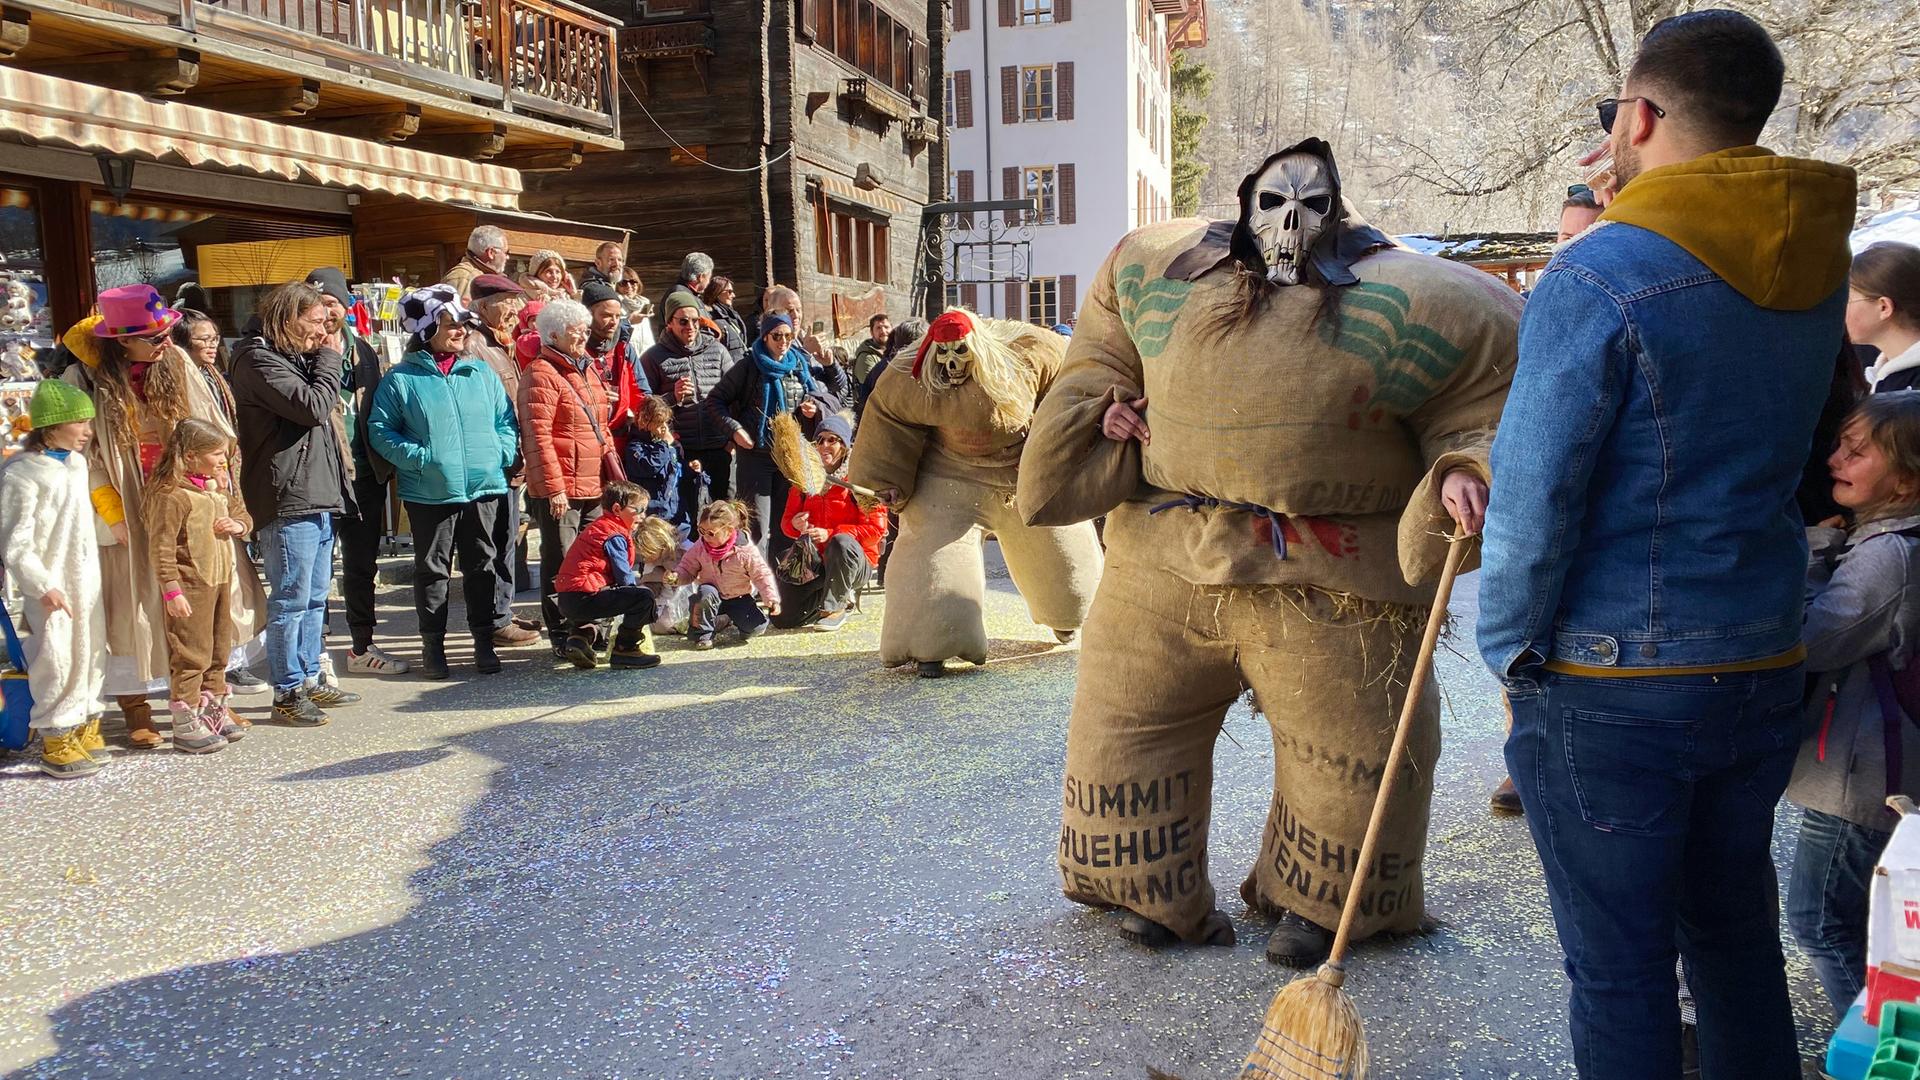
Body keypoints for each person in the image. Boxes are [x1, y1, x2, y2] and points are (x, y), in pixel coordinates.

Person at [1018, 134, 1515, 965]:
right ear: (1246, 204)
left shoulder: (1443, 303)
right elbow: (1099, 368)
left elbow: (1486, 414)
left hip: (1334, 576)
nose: (1290, 226)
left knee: (1351, 750)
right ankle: (1144, 884)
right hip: (1166, 552)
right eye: (1275, 206)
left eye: (1309, 208)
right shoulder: (1148, 271)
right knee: (1129, 724)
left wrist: (1464, 471)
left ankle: (1322, 906)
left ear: (1335, 214)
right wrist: (1107, 415)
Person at [1477, 12, 1858, 1078]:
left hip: (1614, 679)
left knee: (1620, 970)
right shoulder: (1817, 265)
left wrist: (1507, 649)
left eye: (1617, 117)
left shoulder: (1600, 273)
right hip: (1758, 655)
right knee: (1733, 942)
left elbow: (1535, 498)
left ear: (1639, 116)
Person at [66, 285, 269, 746]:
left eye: (167, 334)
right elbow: (89, 455)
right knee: (134, 603)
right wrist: (111, 512)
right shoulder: (86, 378)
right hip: (129, 501)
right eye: (154, 337)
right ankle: (136, 705)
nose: (166, 343)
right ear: (122, 340)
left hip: (189, 495)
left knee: (206, 598)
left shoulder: (176, 363)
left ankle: (207, 699)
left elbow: (212, 429)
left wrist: (218, 487)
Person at [1785, 392, 1920, 1018]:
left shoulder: (1888, 557)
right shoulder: (1892, 540)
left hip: (1858, 777)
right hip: (1876, 767)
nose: (1835, 459)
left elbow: (1814, 640)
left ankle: (1878, 1057)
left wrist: (1813, 550)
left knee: (1821, 921)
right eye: (1840, 443)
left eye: (1858, 452)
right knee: (1866, 924)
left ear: (1906, 480)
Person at [367, 286, 520, 681]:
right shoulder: (401, 379)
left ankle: (483, 641)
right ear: (428, 327)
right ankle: (433, 645)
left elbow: (506, 421)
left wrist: (500, 454)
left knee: (482, 565)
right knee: (433, 570)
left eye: (463, 326)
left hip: (484, 486)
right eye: (451, 325)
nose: (460, 332)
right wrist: (420, 459)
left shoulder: (480, 372)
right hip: (430, 491)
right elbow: (381, 431)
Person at [232, 282, 358, 728]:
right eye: (316, 321)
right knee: (290, 598)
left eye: (326, 323)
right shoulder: (257, 359)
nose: (324, 329)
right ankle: (286, 690)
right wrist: (329, 357)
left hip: (319, 490)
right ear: (287, 318)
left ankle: (307, 676)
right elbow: (312, 406)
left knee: (316, 596)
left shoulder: (293, 357)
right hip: (287, 495)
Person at [295, 267, 407, 683]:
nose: (327, 311)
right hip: (318, 473)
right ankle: (316, 653)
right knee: (317, 568)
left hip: (363, 470)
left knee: (362, 563)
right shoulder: (298, 349)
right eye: (319, 302)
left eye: (334, 303)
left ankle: (362, 645)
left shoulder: (362, 349)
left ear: (346, 306)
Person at [0, 380, 109, 779]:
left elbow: (83, 523)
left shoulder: (76, 465)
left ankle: (85, 718)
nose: (86, 431)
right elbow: (15, 537)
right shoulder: (22, 473)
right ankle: (55, 732)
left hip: (86, 578)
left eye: (88, 423)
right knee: (56, 654)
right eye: (78, 423)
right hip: (51, 583)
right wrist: (40, 583)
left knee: (93, 649)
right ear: (51, 426)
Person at [171, 308, 274, 697]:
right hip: (200, 486)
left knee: (235, 579)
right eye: (203, 339)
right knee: (217, 583)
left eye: (215, 338)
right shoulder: (182, 377)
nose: (212, 346)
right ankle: (221, 668)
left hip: (225, 479)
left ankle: (230, 664)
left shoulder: (215, 377)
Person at [144, 418, 251, 754]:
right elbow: (161, 547)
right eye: (216, 453)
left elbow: (244, 516)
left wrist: (237, 525)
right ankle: (185, 717)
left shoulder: (215, 489)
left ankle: (213, 706)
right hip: (191, 586)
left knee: (220, 649)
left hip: (219, 580)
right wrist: (171, 589)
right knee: (192, 652)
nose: (223, 460)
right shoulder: (173, 495)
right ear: (190, 456)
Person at [520, 299, 617, 656]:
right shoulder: (540, 373)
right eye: (576, 332)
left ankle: (590, 629)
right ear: (554, 335)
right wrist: (554, 489)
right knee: (560, 561)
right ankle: (563, 633)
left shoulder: (587, 369)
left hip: (593, 483)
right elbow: (537, 437)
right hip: (562, 487)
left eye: (584, 330)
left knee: (594, 560)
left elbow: (600, 427)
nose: (584, 337)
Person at [709, 313, 841, 555]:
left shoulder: (798, 364)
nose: (783, 342)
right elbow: (715, 401)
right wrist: (735, 430)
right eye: (777, 336)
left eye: (788, 336)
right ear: (765, 337)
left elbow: (820, 395)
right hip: (756, 455)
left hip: (789, 457)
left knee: (787, 523)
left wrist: (812, 409)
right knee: (756, 524)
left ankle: (782, 583)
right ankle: (756, 581)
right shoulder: (748, 366)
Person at [466, 274, 543, 647]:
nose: (515, 310)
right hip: (494, 464)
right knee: (493, 543)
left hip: (511, 462)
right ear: (482, 306)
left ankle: (503, 611)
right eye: (506, 301)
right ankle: (495, 621)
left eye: (516, 302)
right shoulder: (475, 346)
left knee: (508, 538)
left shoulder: (501, 344)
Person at [774, 413, 885, 631]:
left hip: (854, 562)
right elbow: (786, 524)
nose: (824, 445)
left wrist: (831, 533)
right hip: (815, 562)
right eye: (820, 440)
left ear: (844, 445)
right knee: (783, 619)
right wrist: (795, 526)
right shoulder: (803, 480)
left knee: (841, 542)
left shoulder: (860, 477)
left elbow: (876, 529)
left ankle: (835, 608)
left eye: (832, 440)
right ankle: (835, 597)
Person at [553, 481, 670, 670]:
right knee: (643, 597)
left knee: (602, 604)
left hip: (569, 599)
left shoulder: (600, 526)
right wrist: (642, 605)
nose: (643, 515)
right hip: (585, 595)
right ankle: (626, 649)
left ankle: (578, 639)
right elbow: (623, 575)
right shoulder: (613, 534)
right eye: (639, 510)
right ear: (617, 509)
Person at [641, 291, 736, 510]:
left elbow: (735, 396)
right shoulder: (653, 357)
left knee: (724, 512)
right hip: (682, 449)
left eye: (695, 320)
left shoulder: (718, 351)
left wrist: (731, 439)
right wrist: (671, 397)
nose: (691, 326)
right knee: (689, 514)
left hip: (719, 447)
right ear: (669, 324)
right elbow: (644, 408)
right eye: (683, 321)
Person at [672, 499, 778, 650]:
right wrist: (677, 577)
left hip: (738, 597)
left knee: (756, 629)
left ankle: (727, 619)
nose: (706, 537)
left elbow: (761, 574)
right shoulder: (700, 546)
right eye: (701, 531)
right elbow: (687, 568)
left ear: (729, 531)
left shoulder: (744, 551)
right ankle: (704, 635)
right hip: (711, 594)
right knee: (705, 592)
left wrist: (771, 598)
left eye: (711, 533)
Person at [581, 280, 652, 449]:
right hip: (586, 439)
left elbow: (641, 393)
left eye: (618, 316)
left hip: (620, 439)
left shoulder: (624, 349)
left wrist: (652, 417)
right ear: (588, 316)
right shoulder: (575, 349)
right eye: (606, 315)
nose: (614, 322)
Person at [1852, 242, 1920, 393]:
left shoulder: (1909, 389)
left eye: (1846, 300)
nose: (1839, 310)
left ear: (1884, 307)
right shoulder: (1891, 376)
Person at [621, 396, 698, 526]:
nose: (664, 428)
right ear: (644, 422)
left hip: (674, 511)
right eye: (659, 423)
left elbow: (677, 473)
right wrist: (663, 444)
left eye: (666, 423)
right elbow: (650, 467)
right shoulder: (635, 446)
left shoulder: (672, 446)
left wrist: (692, 470)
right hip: (651, 512)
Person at [441, 225, 509, 301]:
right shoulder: (465, 277)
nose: (507, 257)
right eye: (506, 252)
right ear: (491, 253)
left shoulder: (476, 275)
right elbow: (457, 312)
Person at [702, 275, 749, 367]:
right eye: (729, 292)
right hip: (728, 373)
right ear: (716, 293)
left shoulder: (731, 316)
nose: (733, 295)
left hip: (740, 369)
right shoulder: (711, 318)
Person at [660, 252, 713, 320]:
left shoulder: (687, 292)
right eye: (708, 278)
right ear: (701, 277)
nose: (708, 282)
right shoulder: (680, 294)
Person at [850, 313, 891, 401]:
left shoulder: (894, 351)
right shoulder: (866, 357)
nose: (883, 331)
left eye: (886, 327)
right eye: (878, 328)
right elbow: (874, 387)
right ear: (872, 333)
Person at [616, 268, 656, 352]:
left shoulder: (645, 304)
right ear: (616, 285)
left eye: (633, 282)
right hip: (626, 354)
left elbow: (647, 333)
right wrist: (629, 321)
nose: (629, 286)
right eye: (623, 283)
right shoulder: (615, 304)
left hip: (645, 354)